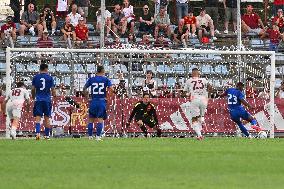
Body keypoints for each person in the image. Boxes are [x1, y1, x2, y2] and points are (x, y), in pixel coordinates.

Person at [83, 65, 113, 141]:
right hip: (101, 101)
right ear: (103, 71)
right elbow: (111, 89)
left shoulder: (92, 79)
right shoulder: (106, 80)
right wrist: (108, 97)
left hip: (93, 100)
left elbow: (84, 88)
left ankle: (90, 136)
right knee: (100, 119)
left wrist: (87, 98)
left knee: (91, 119)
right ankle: (98, 136)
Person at [183, 68, 212, 140]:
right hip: (204, 99)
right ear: (198, 73)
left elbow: (184, 92)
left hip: (195, 99)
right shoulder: (204, 80)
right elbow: (210, 87)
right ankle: (202, 120)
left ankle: (199, 135)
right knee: (200, 116)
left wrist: (188, 94)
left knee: (194, 118)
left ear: (192, 73)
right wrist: (208, 95)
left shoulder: (189, 81)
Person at [31, 63, 56, 140]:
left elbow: (32, 89)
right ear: (46, 69)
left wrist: (33, 96)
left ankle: (38, 133)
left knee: (38, 117)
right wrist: (54, 96)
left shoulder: (35, 77)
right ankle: (47, 135)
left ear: (40, 69)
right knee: (47, 118)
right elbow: (53, 89)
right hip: (47, 100)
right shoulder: (50, 78)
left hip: (38, 99)